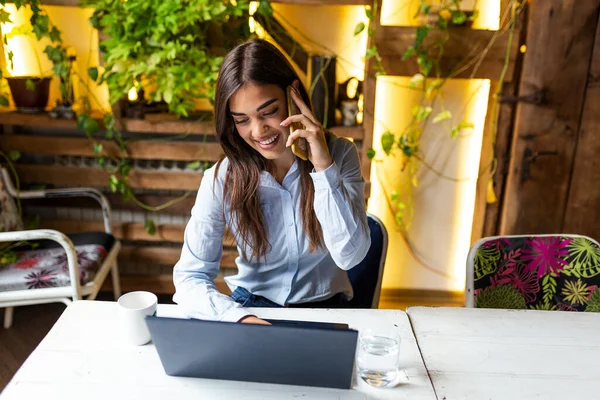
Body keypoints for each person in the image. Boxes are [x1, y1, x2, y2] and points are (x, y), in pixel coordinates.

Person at [172, 38, 371, 324]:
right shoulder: (222, 178)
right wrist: (239, 318)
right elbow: (190, 277)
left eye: (268, 112)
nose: (258, 130)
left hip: (325, 308)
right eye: (242, 120)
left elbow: (350, 257)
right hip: (249, 307)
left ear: (294, 97)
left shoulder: (340, 154)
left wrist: (323, 166)